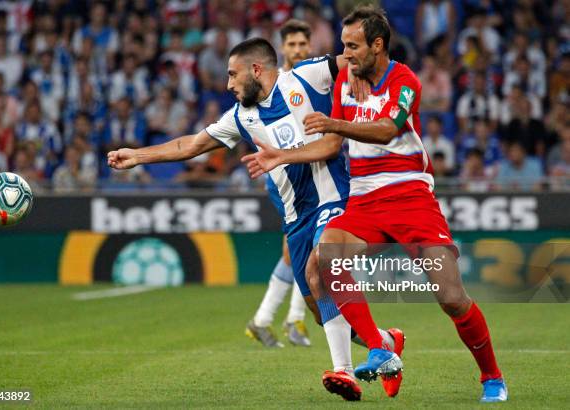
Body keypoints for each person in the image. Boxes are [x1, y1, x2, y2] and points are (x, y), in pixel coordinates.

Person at [242, 6, 507, 403]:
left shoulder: (405, 80)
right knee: (323, 261)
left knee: (451, 297)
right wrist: (281, 156)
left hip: (410, 196)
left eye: (353, 47)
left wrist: (335, 123)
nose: (346, 55)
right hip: (364, 198)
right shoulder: (346, 83)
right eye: (343, 46)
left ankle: (492, 377)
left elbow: (386, 130)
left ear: (377, 45)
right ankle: (380, 346)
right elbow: (332, 145)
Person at [109, 37, 394, 402]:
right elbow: (191, 145)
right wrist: (138, 156)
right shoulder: (241, 118)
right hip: (296, 220)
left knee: (320, 269)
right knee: (322, 312)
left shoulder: (304, 78)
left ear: (256, 69)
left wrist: (357, 73)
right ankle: (385, 340)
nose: (228, 84)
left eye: (232, 74)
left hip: (335, 198)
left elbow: (354, 56)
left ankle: (345, 371)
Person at [245, 19, 314, 349]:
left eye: (303, 44)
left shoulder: (312, 79)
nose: (298, 50)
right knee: (303, 247)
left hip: (310, 176)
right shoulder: (275, 84)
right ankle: (286, 319)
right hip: (286, 180)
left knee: (301, 249)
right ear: (282, 48)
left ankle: (271, 320)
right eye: (292, 45)